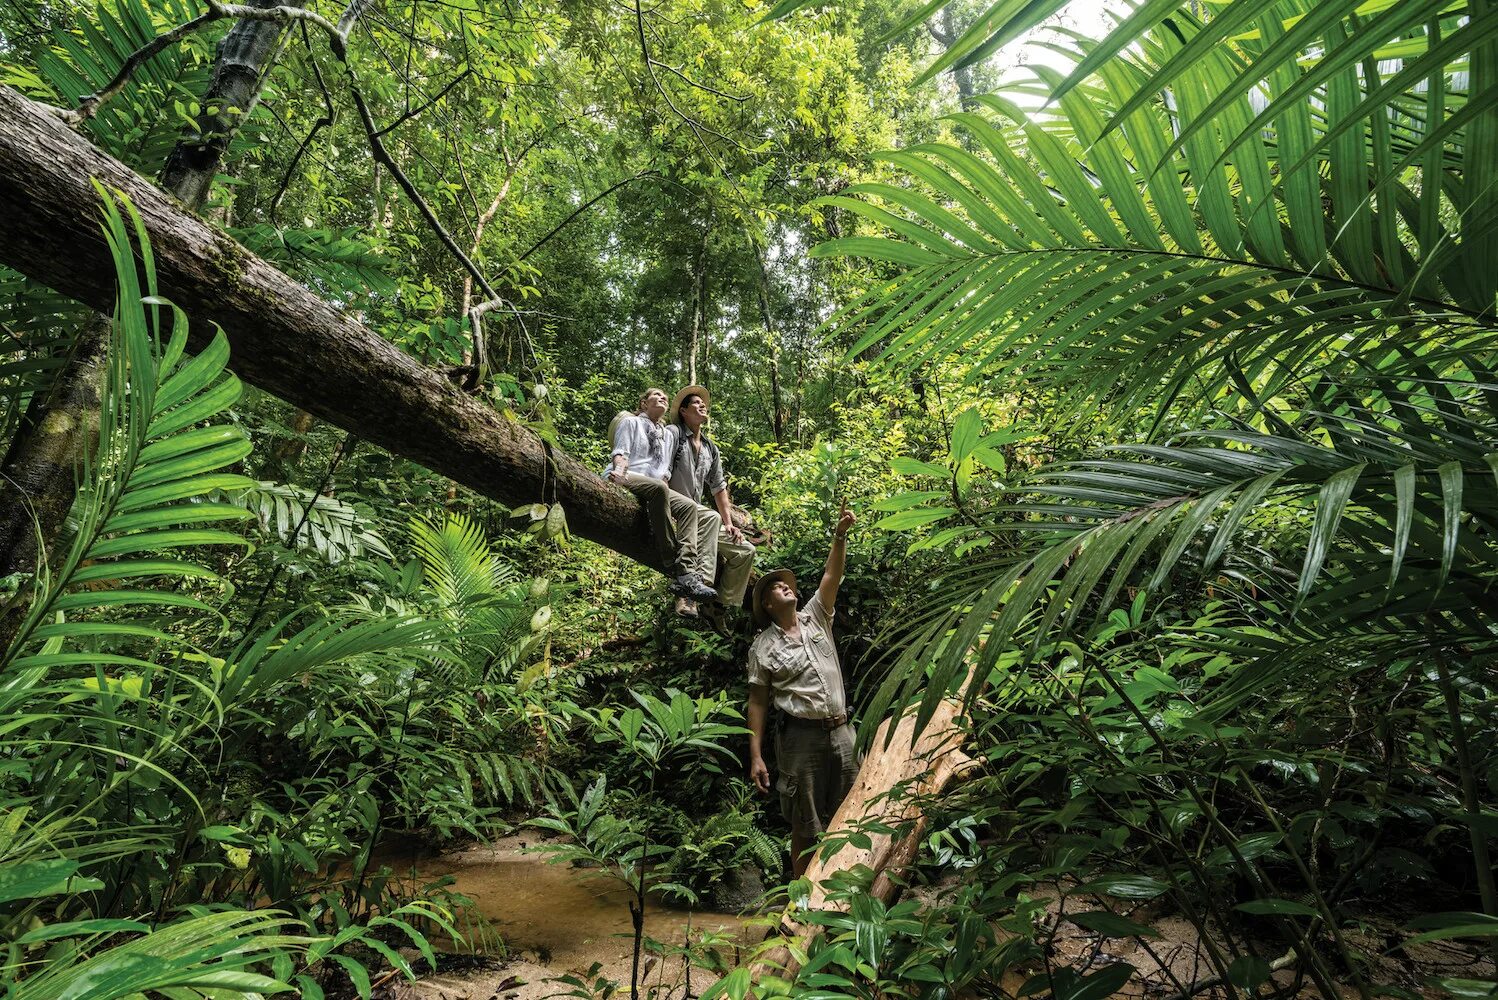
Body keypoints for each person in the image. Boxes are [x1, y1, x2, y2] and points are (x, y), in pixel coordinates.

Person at [746, 505, 857, 878]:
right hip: (800, 739)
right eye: (777, 587)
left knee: (852, 813)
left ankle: (851, 895)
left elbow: (831, 574)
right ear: (767, 604)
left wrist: (839, 534)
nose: (786, 586)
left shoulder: (816, 617)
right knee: (806, 825)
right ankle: (801, 907)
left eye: (787, 583)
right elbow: (758, 702)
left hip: (842, 732)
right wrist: (756, 756)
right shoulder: (763, 646)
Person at [605, 387, 718, 614]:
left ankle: (686, 573)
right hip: (629, 476)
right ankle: (670, 560)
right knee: (658, 488)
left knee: (688, 506)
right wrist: (618, 470)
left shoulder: (667, 434)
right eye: (656, 395)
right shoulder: (631, 422)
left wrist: (668, 499)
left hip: (655, 485)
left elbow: (664, 472)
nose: (663, 397)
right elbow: (621, 452)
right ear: (644, 403)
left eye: (665, 396)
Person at [663, 385, 755, 613]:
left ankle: (719, 608)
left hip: (701, 516)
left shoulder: (709, 447)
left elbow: (718, 488)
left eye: (703, 403)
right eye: (695, 402)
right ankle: (694, 591)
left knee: (745, 551)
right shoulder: (673, 434)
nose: (702, 405)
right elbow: (661, 472)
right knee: (710, 517)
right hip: (677, 511)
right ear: (683, 412)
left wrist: (730, 523)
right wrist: (664, 513)